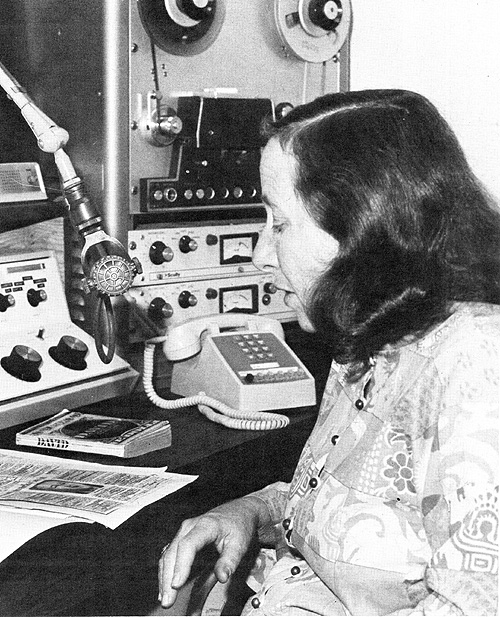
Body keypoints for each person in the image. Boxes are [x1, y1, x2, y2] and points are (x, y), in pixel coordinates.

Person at [158, 90, 500, 615]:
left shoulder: (476, 368)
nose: (261, 253)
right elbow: (367, 513)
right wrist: (253, 512)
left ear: (361, 229)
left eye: (278, 223)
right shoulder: (367, 338)